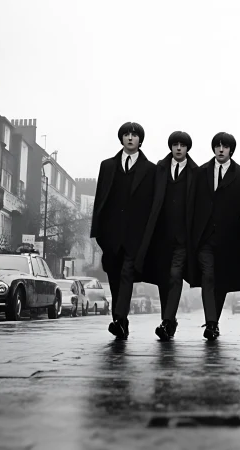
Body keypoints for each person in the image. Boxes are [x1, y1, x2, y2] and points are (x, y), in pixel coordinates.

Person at [188, 132, 240, 340]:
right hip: (205, 237)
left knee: (222, 283)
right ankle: (211, 323)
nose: (220, 150)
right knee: (208, 276)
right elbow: (191, 203)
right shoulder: (200, 173)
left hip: (230, 238)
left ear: (230, 150)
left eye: (225, 146)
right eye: (217, 146)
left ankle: (213, 323)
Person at [90, 122, 156, 340]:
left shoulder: (151, 169)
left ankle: (118, 318)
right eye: (126, 134)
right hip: (110, 235)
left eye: (134, 135)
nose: (130, 138)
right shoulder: (107, 166)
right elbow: (101, 199)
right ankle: (122, 322)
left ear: (140, 140)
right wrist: (98, 233)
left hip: (136, 236)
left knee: (127, 274)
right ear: (121, 139)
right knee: (115, 278)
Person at [138, 131, 199, 341]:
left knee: (175, 276)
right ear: (171, 147)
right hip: (160, 236)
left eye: (182, 145)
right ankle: (169, 321)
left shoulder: (195, 172)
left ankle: (166, 321)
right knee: (164, 280)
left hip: (183, 238)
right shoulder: (159, 170)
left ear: (187, 148)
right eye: (175, 144)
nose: (179, 148)